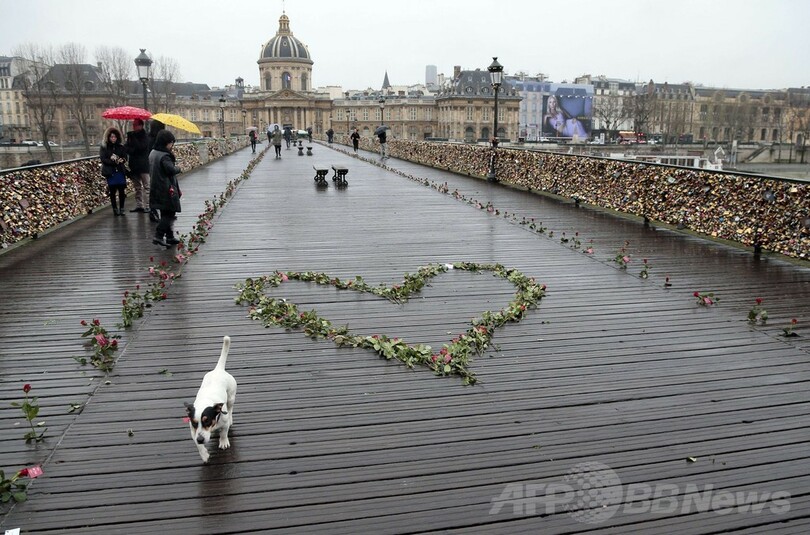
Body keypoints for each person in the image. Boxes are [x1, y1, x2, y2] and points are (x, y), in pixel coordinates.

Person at [149, 130, 182, 247]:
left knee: (165, 212)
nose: (172, 145)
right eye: (171, 143)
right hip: (166, 188)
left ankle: (170, 237)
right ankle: (158, 235)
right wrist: (178, 168)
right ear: (166, 143)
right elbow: (171, 170)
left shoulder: (153, 152)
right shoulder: (165, 156)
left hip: (156, 186)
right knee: (169, 213)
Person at [100, 127, 129, 216]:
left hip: (120, 171)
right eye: (111, 137)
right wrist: (113, 161)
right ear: (108, 137)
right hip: (110, 172)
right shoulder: (104, 147)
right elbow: (103, 159)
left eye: (115, 137)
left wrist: (122, 160)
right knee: (112, 191)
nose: (113, 139)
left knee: (121, 191)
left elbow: (125, 157)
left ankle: (122, 208)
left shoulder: (121, 147)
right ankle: (115, 209)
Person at [125, 118, 151, 213]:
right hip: (134, 164)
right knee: (137, 187)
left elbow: (141, 147)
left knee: (147, 186)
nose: (134, 126)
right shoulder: (131, 136)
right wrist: (131, 146)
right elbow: (127, 148)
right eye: (133, 124)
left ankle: (148, 205)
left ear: (140, 125)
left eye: (135, 125)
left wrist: (133, 140)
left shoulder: (145, 136)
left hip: (143, 164)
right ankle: (139, 205)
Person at [146, 119, 166, 222]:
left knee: (155, 188)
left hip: (152, 165)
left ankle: (154, 210)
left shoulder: (150, 137)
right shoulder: (156, 139)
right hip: (157, 166)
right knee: (158, 189)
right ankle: (155, 210)